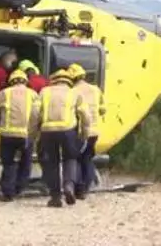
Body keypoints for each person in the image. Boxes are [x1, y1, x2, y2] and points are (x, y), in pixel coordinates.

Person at [33, 68, 91, 207]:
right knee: (70, 158)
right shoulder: (74, 93)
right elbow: (85, 115)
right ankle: (69, 187)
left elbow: (34, 113)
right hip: (68, 129)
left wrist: (33, 134)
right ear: (68, 80)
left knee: (51, 162)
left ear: (54, 80)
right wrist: (84, 133)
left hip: (47, 131)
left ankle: (55, 197)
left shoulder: (44, 92)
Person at [0, 68, 40, 201]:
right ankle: (20, 188)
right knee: (26, 163)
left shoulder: (4, 93)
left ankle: (8, 193)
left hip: (8, 135)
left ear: (11, 81)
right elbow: (37, 113)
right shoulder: (32, 94)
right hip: (26, 135)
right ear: (25, 81)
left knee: (9, 164)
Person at [68, 63, 106, 199]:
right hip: (94, 132)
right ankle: (86, 186)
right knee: (88, 159)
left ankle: (80, 188)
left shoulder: (73, 92)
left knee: (77, 159)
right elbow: (103, 109)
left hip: (80, 131)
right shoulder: (96, 89)